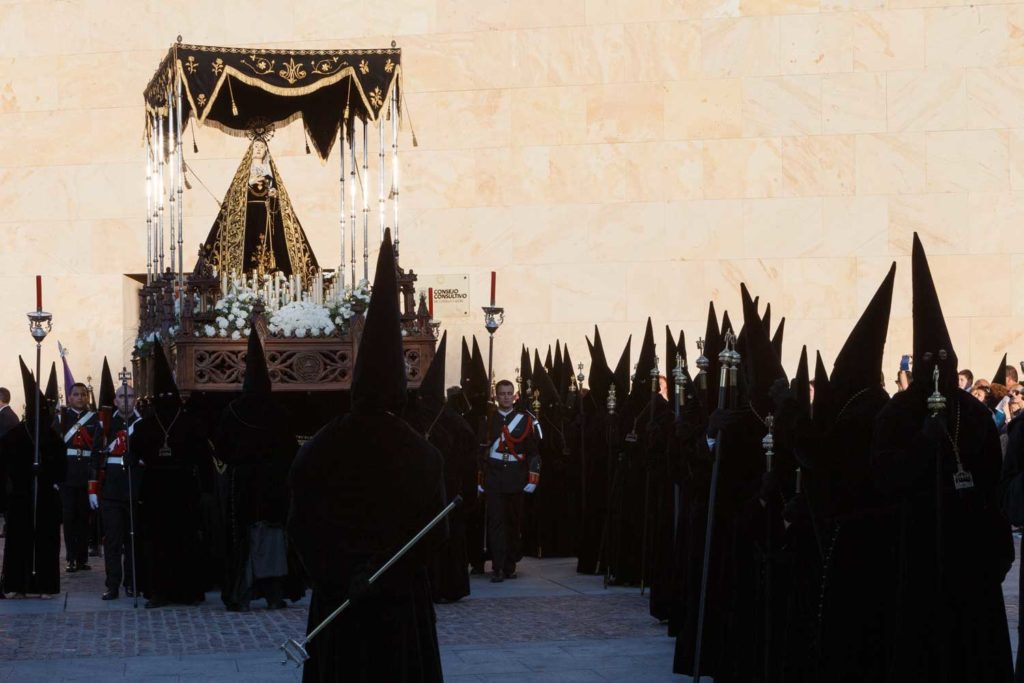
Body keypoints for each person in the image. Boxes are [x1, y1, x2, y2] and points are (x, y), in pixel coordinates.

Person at [288, 229, 446, 683]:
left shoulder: (319, 446)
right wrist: (389, 577)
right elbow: (437, 533)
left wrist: (339, 574)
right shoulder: (422, 453)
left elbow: (300, 525)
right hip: (399, 606)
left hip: (338, 602)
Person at [873, 234, 1013, 682]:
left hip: (967, 555)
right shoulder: (897, 413)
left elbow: (992, 479)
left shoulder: (971, 414)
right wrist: (922, 446)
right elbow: (882, 475)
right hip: (911, 553)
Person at [213, 328, 303, 612]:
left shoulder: (233, 411)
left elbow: (222, 450)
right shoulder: (282, 412)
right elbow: (292, 450)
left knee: (246, 536)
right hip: (274, 483)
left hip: (244, 483)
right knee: (274, 536)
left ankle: (243, 592)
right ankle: (275, 594)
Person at [132, 342, 211, 608]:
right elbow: (203, 458)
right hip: (184, 487)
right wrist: (207, 489)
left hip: (156, 488)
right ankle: (187, 591)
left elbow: (131, 459)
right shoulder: (191, 423)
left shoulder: (143, 426)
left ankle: (159, 592)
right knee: (184, 540)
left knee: (158, 543)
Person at [0, 360, 65, 597]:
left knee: (46, 543)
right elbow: (4, 467)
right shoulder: (14, 436)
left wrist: (46, 473)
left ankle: (45, 585)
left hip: (45, 495)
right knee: (18, 542)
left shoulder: (53, 439)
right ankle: (16, 585)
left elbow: (62, 470)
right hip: (20, 496)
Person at [478, 378, 541, 583]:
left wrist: (533, 477)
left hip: (516, 476)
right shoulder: (487, 420)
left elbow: (533, 452)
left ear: (514, 396)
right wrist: (480, 478)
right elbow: (481, 452)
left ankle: (509, 566)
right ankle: (497, 567)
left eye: (508, 393)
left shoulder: (524, 420)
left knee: (513, 523)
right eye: (501, 393)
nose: (505, 397)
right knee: (495, 523)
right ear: (496, 397)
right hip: (494, 476)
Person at [99, 382, 143, 600]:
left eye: (130, 396)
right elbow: (96, 458)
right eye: (122, 396)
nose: (126, 400)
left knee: (133, 541)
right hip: (112, 490)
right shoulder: (106, 424)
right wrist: (92, 490)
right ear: (115, 401)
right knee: (113, 540)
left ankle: (132, 582)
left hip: (134, 488)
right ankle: (112, 584)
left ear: (135, 399)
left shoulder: (142, 424)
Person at [53, 381, 102, 573]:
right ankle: (71, 558)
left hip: (86, 474)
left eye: (83, 394)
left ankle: (82, 558)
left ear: (87, 397)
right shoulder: (61, 419)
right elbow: (55, 450)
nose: (80, 397)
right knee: (69, 517)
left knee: (84, 518)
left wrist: (94, 476)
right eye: (76, 394)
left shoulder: (95, 419)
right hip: (66, 474)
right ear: (69, 397)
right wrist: (56, 477)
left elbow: (97, 449)